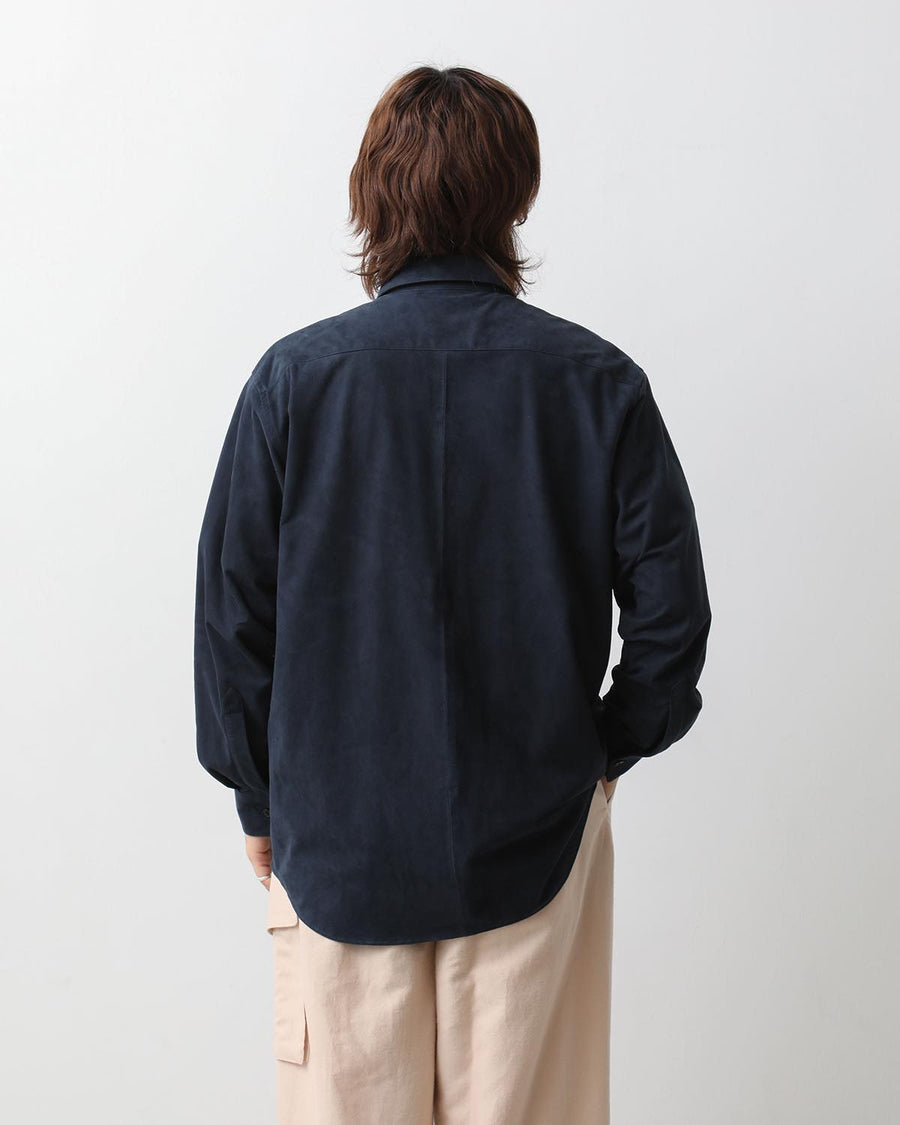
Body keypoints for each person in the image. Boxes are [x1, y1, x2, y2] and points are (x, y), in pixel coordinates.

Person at [193, 64, 712, 1125]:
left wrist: (258, 798)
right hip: (538, 840)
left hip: (333, 844)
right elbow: (672, 620)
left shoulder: (294, 381)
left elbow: (232, 623)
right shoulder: (598, 383)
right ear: (517, 195)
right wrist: (600, 755)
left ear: (370, 196)